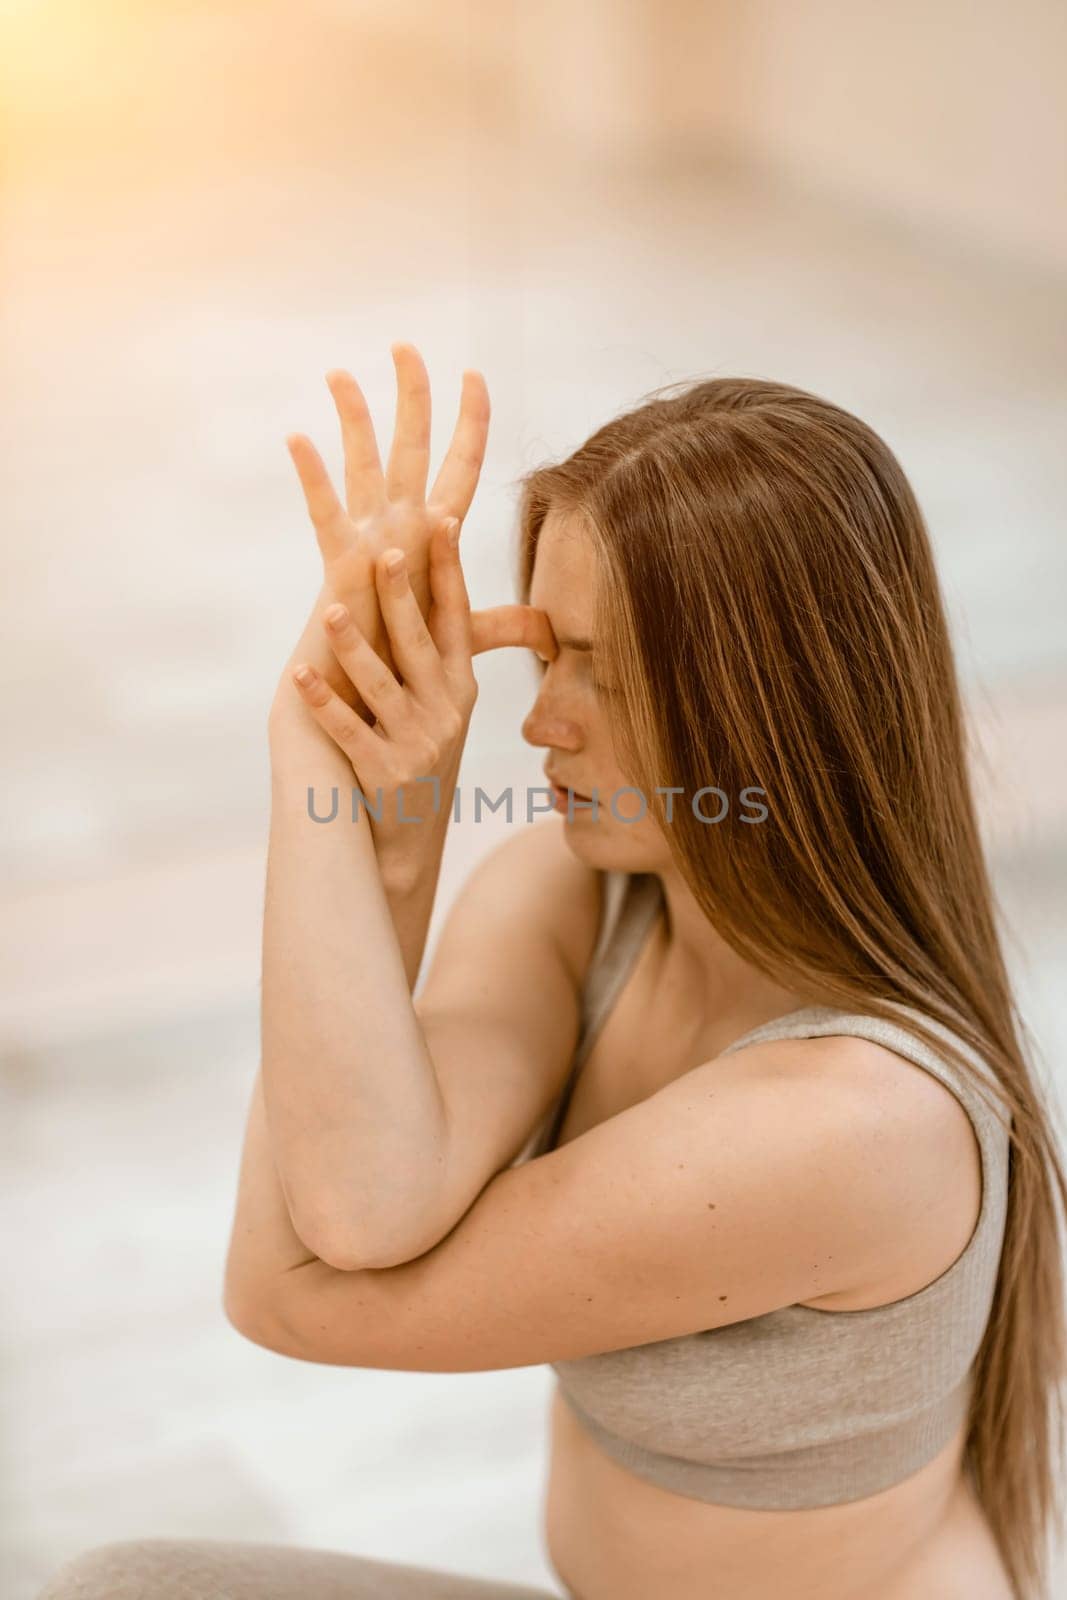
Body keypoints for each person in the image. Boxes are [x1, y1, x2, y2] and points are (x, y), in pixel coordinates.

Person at [37, 346, 1067, 1600]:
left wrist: (309, 770)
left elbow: (290, 1289)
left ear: (771, 710)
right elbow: (365, 1190)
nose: (539, 722)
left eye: (610, 672)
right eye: (546, 653)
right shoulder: (580, 897)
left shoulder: (852, 1121)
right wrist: (376, 827)